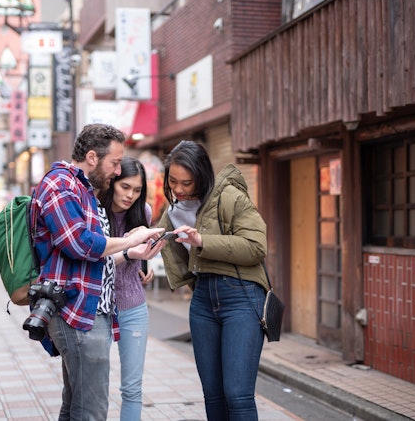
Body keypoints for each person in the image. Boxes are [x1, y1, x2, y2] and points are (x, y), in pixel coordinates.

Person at [30, 123, 166, 420]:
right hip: (76, 312)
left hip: (88, 311)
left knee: (76, 405)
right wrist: (130, 239)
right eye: (115, 163)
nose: (118, 171)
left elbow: (93, 260)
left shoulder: (83, 189)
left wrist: (131, 253)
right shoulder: (60, 185)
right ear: (92, 157)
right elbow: (78, 243)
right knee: (91, 410)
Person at [157, 140, 269, 421]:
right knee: (213, 395)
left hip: (241, 296)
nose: (179, 189)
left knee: (237, 395)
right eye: (173, 181)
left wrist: (203, 240)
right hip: (203, 299)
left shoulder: (230, 197)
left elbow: (256, 246)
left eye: (187, 182)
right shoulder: (172, 211)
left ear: (203, 176)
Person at [97, 157, 155, 421]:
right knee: (94, 388)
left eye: (138, 190)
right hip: (98, 309)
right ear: (112, 183)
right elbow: (97, 262)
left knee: (132, 388)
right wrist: (131, 253)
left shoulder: (144, 213)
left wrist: (145, 265)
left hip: (133, 306)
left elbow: (140, 256)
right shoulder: (96, 211)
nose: (131, 195)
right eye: (125, 187)